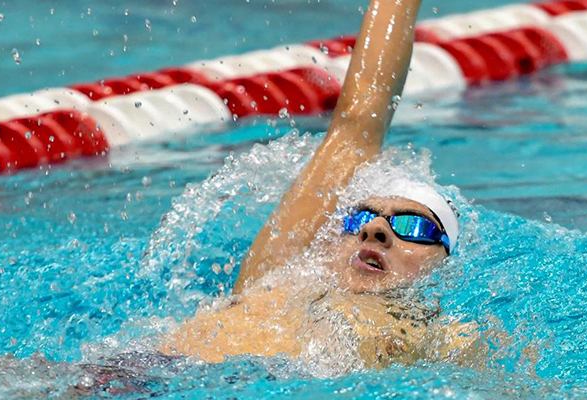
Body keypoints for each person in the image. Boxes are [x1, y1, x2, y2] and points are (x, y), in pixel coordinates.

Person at [160, 0, 480, 369]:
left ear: (444, 264)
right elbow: (356, 127)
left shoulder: (443, 341)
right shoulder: (274, 282)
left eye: (413, 226)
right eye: (357, 219)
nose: (374, 229)